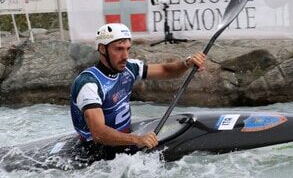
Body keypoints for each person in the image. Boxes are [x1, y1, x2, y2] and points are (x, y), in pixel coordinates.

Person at [70, 23, 205, 160]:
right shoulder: (89, 83)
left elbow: (166, 70)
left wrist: (187, 63)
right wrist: (138, 140)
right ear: (102, 49)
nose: (125, 56)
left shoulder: (130, 68)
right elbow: (99, 133)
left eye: (127, 49)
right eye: (119, 49)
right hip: (96, 153)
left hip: (125, 140)